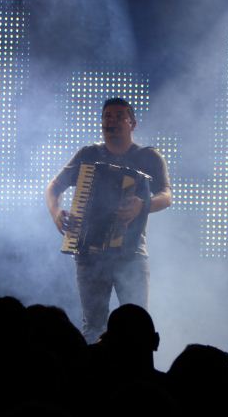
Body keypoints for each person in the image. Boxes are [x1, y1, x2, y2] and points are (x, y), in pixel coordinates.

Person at [45, 98, 171, 343]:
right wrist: (56, 213)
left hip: (131, 253)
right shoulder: (88, 154)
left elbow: (167, 196)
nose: (111, 121)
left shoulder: (148, 156)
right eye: (107, 116)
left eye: (118, 116)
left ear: (132, 123)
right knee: (93, 327)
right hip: (88, 254)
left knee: (137, 326)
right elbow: (53, 187)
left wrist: (142, 205)